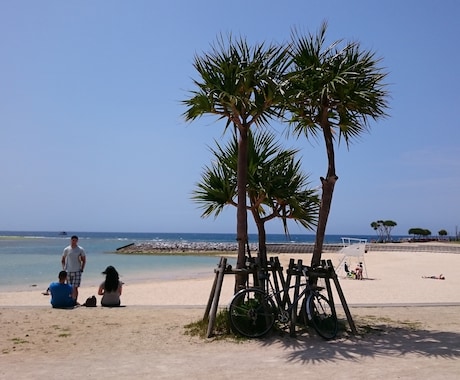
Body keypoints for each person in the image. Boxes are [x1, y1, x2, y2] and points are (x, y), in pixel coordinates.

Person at [61, 235, 86, 302]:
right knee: (69, 287)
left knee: (75, 287)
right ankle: (69, 300)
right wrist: (64, 269)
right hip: (68, 270)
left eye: (75, 240)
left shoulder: (80, 249)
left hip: (77, 270)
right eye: (73, 240)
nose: (74, 242)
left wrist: (82, 268)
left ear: (77, 241)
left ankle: (75, 300)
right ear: (71, 240)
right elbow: (63, 259)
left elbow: (84, 260)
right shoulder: (67, 249)